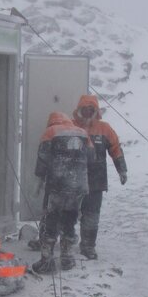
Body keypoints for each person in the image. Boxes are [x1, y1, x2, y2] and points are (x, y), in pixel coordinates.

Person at [31, 111, 91, 274]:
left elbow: (42, 159)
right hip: (78, 186)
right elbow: (91, 158)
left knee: (51, 220)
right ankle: (67, 258)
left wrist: (38, 182)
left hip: (58, 185)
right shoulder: (82, 133)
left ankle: (47, 261)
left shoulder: (50, 132)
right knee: (69, 220)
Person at [72, 94, 127, 260]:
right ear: (79, 110)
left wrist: (122, 170)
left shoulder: (105, 129)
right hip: (74, 180)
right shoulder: (71, 126)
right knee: (69, 213)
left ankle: (88, 246)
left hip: (96, 181)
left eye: (91, 110)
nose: (88, 113)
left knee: (92, 215)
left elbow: (115, 149)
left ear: (96, 111)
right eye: (85, 109)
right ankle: (66, 244)